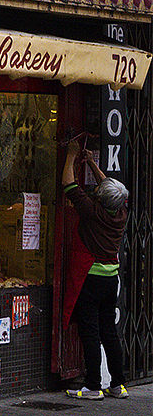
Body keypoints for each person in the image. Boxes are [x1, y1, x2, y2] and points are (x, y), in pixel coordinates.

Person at [61, 137, 130, 399]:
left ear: (100, 199)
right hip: (111, 279)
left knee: (90, 330)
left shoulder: (92, 211)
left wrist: (70, 155)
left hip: (90, 278)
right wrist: (90, 161)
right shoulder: (119, 212)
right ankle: (118, 383)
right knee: (108, 331)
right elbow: (109, 188)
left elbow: (69, 184)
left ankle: (92, 385)